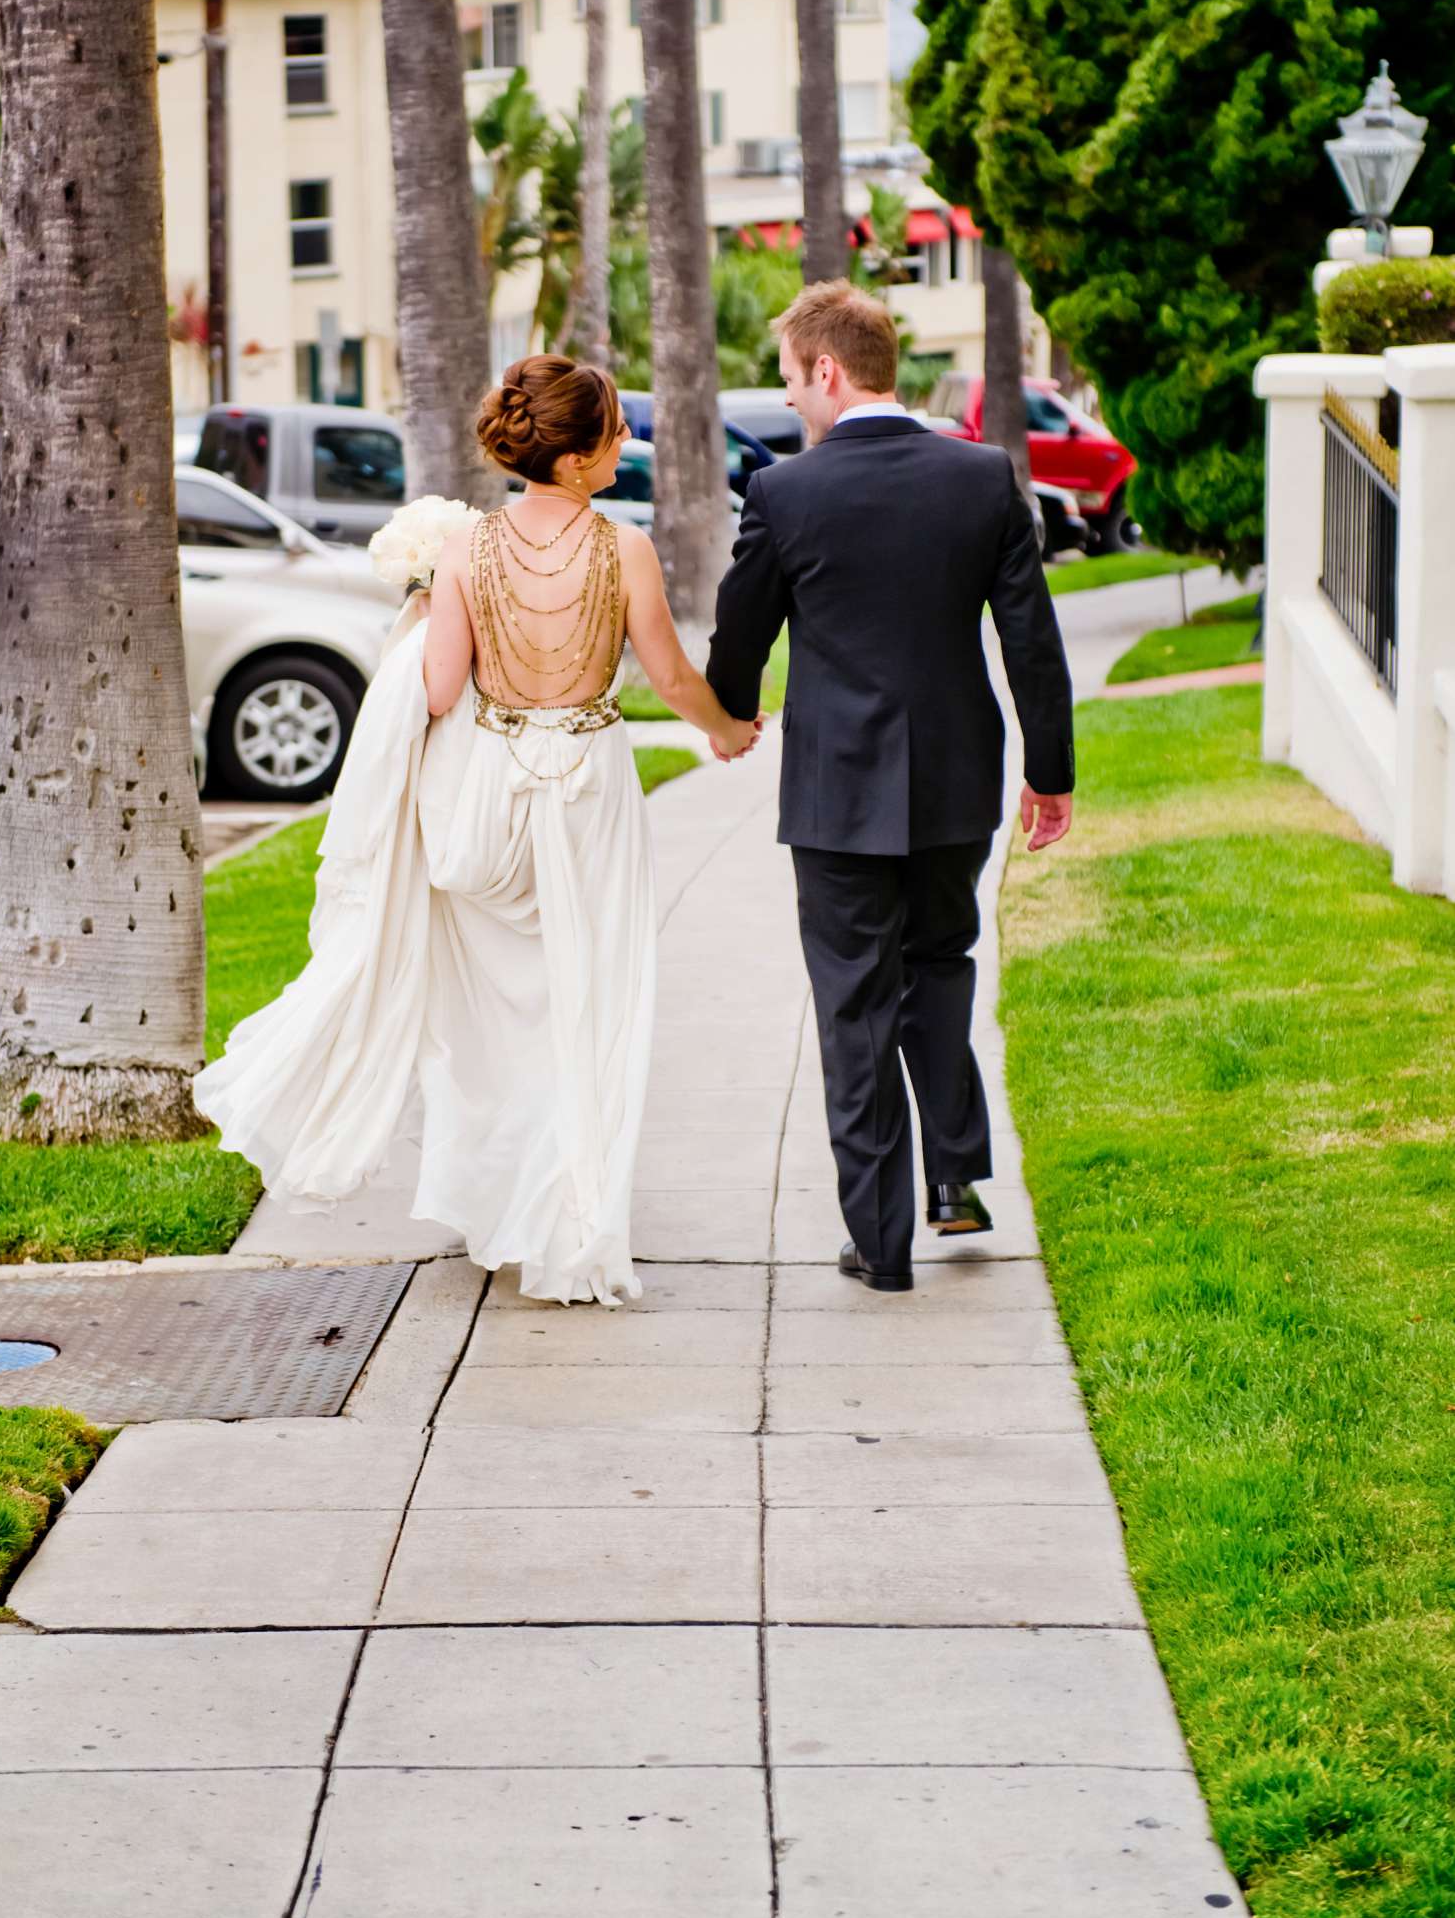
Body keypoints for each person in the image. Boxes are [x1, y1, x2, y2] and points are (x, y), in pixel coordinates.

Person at [195, 355, 760, 1307]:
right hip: (587, 792)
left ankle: (504, 1210)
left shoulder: (466, 551)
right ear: (577, 459)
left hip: (488, 794)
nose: (627, 442)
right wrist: (726, 729)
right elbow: (667, 677)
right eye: (615, 431)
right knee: (593, 1000)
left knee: (494, 1017)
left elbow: (442, 688)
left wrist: (421, 615)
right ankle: (570, 1215)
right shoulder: (623, 551)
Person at [705, 281, 1074, 1293]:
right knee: (941, 966)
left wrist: (730, 713)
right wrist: (1052, 771)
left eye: (790, 381)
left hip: (836, 793)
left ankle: (880, 1240)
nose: (792, 404)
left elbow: (742, 634)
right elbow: (1030, 639)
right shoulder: (982, 479)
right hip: (958, 779)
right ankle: (952, 1178)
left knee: (854, 1007)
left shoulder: (784, 493)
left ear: (827, 370)